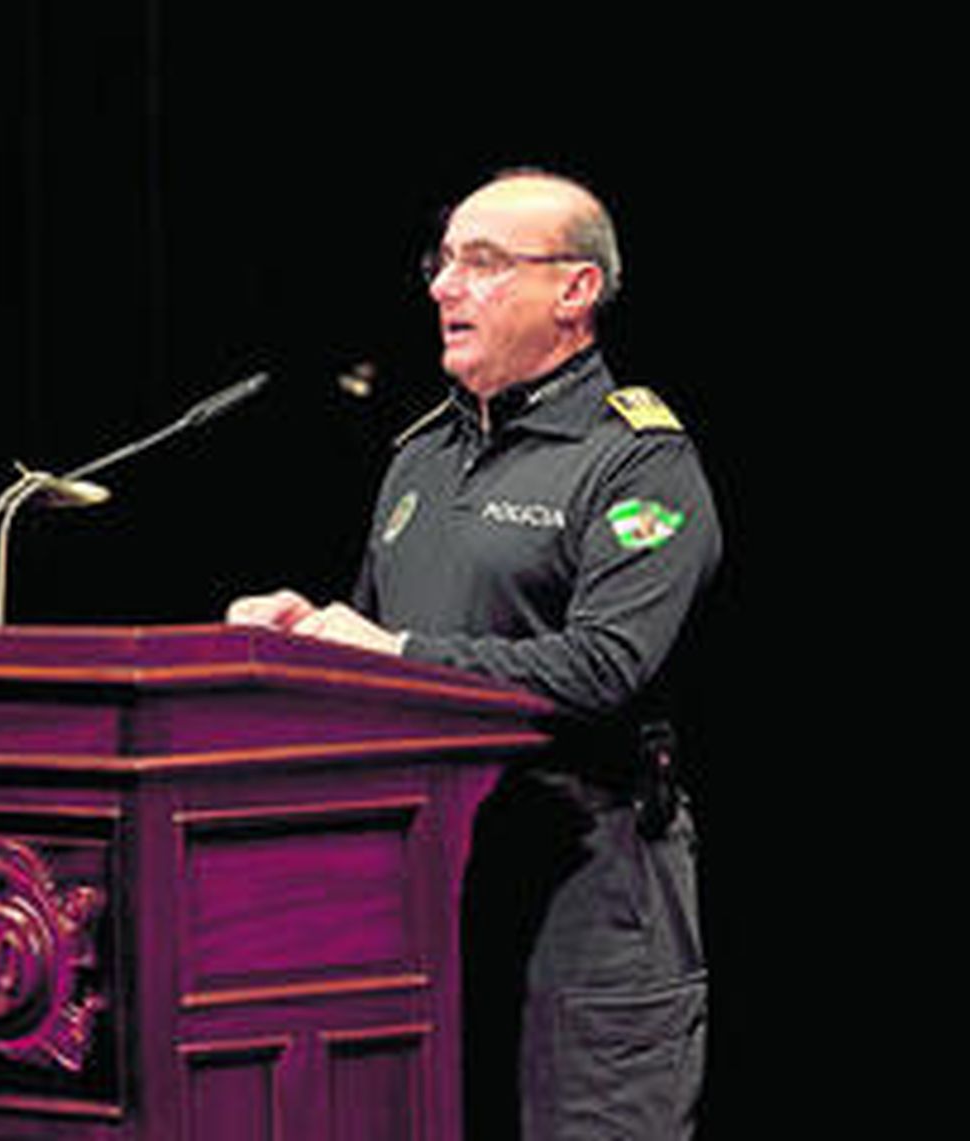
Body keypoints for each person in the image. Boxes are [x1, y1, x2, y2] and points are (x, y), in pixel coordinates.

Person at [228, 169, 721, 1139]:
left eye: (484, 263)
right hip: (418, 887)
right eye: (442, 260)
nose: (445, 286)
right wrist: (301, 639)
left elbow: (605, 667)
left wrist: (396, 649)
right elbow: (376, 663)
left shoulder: (637, 460)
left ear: (575, 290)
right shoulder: (418, 458)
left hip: (587, 887)